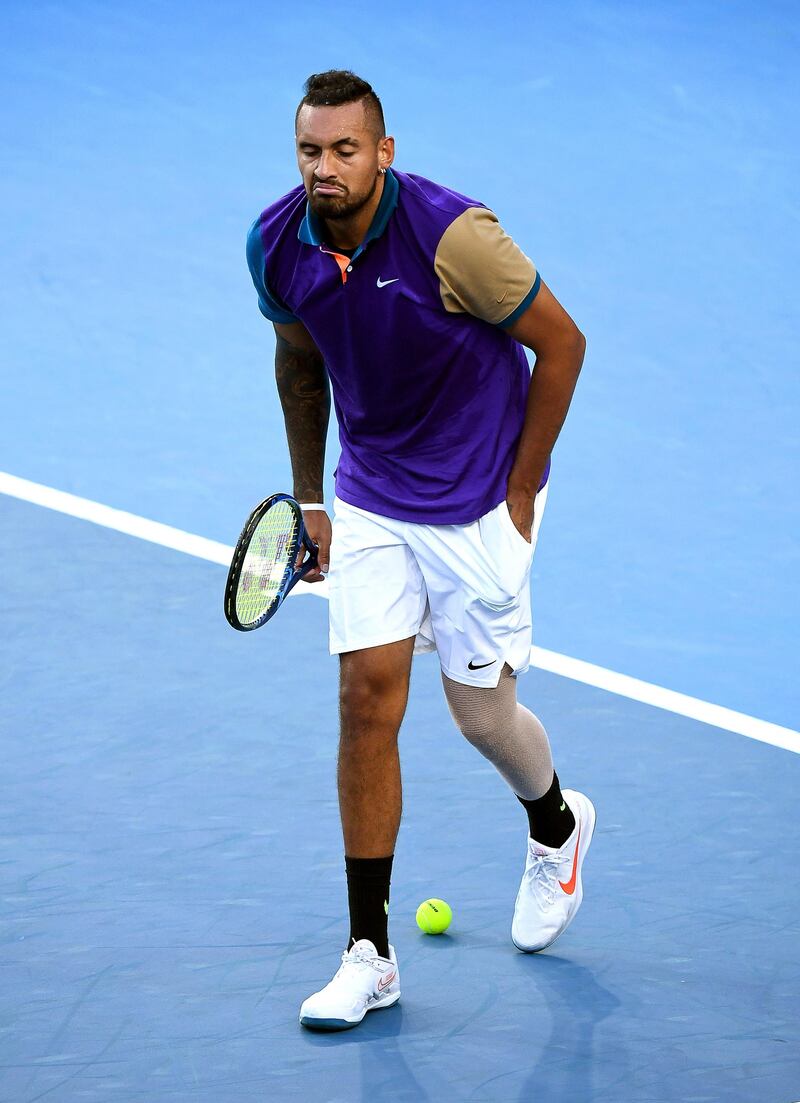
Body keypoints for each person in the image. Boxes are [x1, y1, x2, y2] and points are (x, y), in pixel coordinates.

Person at [246, 69, 593, 1032]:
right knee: (365, 701)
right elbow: (300, 357)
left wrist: (521, 486)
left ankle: (556, 825)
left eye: (346, 150)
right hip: (371, 501)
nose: (326, 168)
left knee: (482, 716)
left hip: (479, 501)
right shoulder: (277, 246)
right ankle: (370, 953)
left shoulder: (454, 238)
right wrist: (311, 498)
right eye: (311, 151)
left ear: (383, 153)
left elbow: (561, 345)